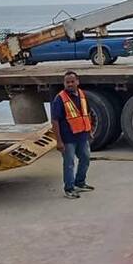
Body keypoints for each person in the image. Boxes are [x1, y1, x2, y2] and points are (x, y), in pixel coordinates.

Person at [50, 71, 93, 199]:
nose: (69, 84)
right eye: (67, 82)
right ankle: (69, 188)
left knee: (85, 158)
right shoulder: (60, 99)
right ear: (64, 83)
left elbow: (87, 114)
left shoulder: (82, 95)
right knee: (69, 163)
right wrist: (59, 141)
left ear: (77, 82)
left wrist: (89, 131)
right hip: (68, 138)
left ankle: (80, 183)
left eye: (72, 81)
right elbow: (55, 120)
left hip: (82, 135)